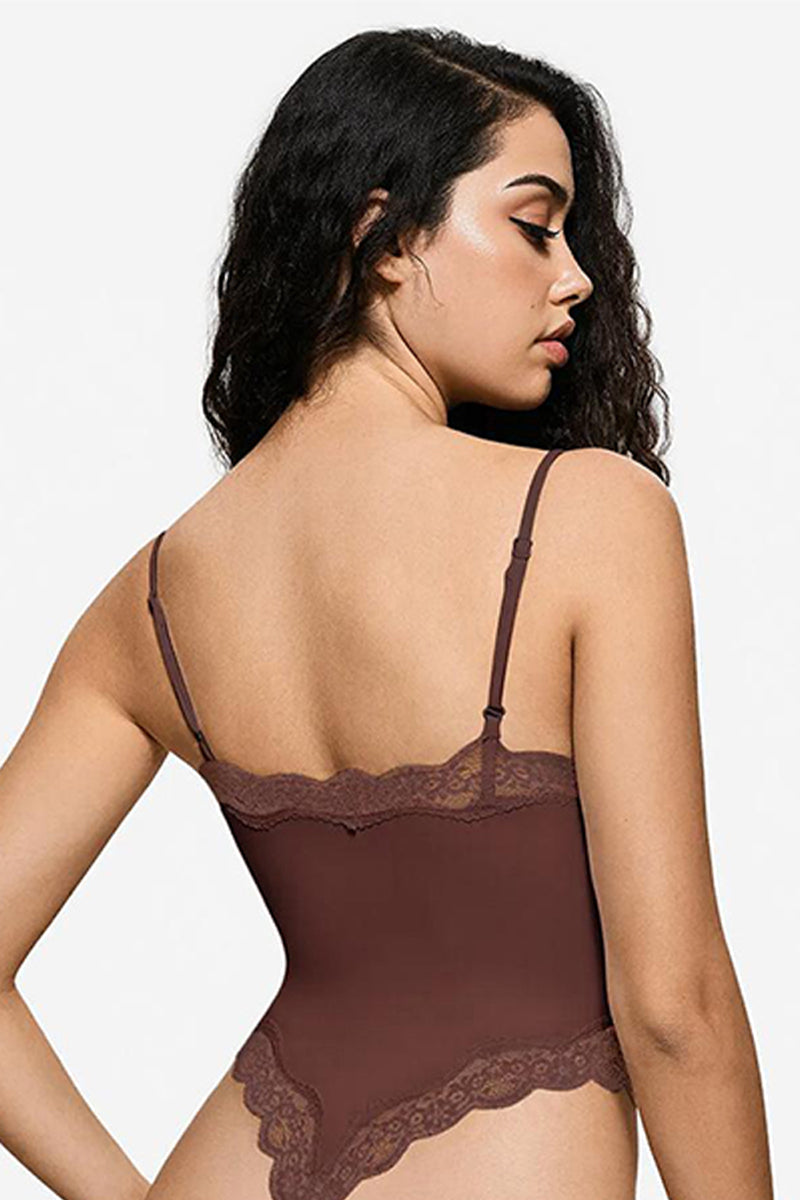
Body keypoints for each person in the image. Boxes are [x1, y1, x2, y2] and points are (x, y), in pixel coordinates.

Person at [0, 26, 773, 1200]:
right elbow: (674, 1010)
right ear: (386, 235)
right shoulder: (587, 515)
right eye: (534, 225)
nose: (574, 277)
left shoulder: (153, 595)